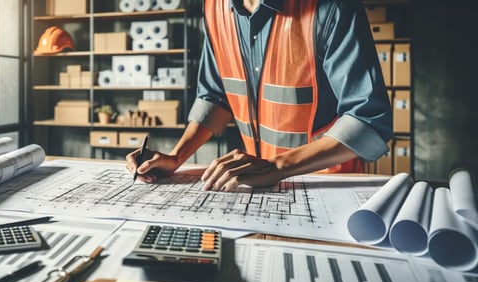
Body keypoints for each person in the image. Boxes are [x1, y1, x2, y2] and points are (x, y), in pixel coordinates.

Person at [126, 0, 392, 191]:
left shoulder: (332, 7)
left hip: (326, 184)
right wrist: (176, 157)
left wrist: (276, 167)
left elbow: (368, 120)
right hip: (257, 182)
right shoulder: (216, 8)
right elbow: (215, 97)